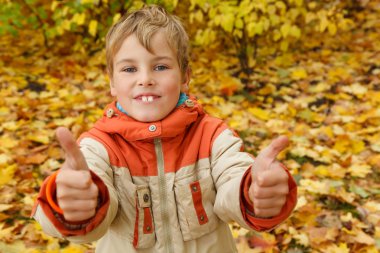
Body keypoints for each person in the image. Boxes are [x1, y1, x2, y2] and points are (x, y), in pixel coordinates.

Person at [32, 5, 297, 253]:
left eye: (160, 67)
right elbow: (89, 199)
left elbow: (234, 178)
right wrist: (72, 204)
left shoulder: (212, 136)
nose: (145, 79)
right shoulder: (100, 147)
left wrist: (254, 191)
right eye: (129, 69)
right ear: (112, 82)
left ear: (185, 77)